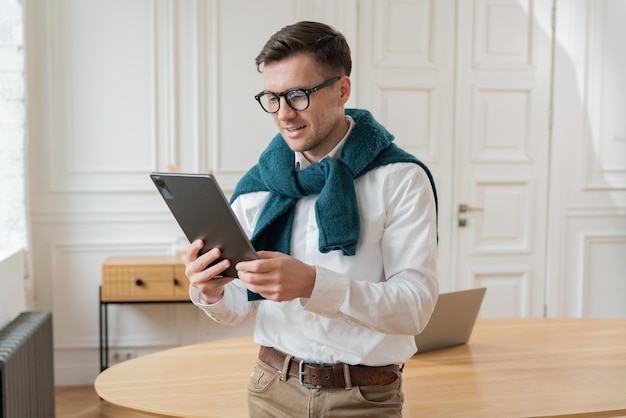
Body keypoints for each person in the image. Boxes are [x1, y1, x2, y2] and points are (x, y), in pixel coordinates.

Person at [184, 21, 439, 418]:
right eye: (272, 97)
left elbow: (415, 308)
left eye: (298, 95)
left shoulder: (400, 178)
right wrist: (211, 289)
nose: (284, 114)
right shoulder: (258, 187)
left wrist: (315, 285)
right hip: (270, 390)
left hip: (364, 399)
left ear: (341, 90)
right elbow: (237, 306)